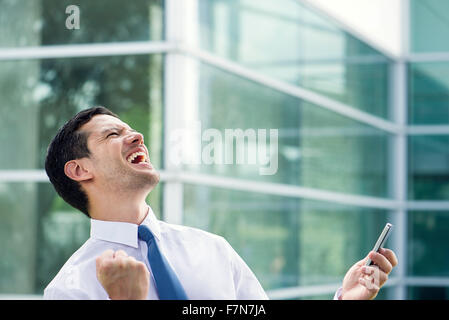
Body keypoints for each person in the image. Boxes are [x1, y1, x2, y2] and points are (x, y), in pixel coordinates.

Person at [43, 106, 398, 300]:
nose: (137, 136)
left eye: (130, 129)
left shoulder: (212, 249)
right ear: (79, 169)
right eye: (112, 134)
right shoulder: (70, 289)